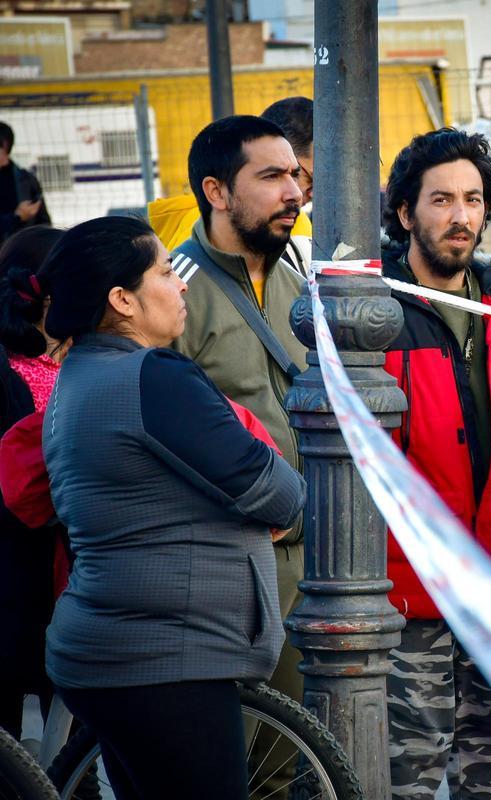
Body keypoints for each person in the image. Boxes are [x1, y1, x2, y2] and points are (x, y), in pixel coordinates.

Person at [40, 216, 305, 800]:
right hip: (168, 658)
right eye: (164, 271)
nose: (181, 283)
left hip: (118, 645)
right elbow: (281, 491)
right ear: (122, 300)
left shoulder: (79, 373)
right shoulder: (153, 376)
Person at [381, 127, 491, 799]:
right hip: (411, 589)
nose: (461, 217)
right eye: (441, 199)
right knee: (406, 771)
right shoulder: (372, 310)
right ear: (404, 213)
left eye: (473, 199)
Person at [169, 115, 309, 769]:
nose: (295, 191)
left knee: (295, 756)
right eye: (273, 176)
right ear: (217, 191)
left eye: (295, 174)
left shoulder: (297, 275)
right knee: (236, 759)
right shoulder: (172, 295)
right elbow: (158, 434)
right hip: (235, 562)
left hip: (318, 554)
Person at [0, 225, 64, 739]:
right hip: (21, 569)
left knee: (65, 735)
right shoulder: (13, 373)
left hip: (60, 571)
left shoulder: (72, 361)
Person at [149, 98, 313, 273]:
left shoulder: (287, 221)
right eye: (308, 178)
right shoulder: (208, 231)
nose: (302, 194)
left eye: (294, 174)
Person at [0, 122, 51, 247]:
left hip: (22, 256)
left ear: (5, 146)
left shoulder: (27, 179)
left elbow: (44, 223)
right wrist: (16, 218)